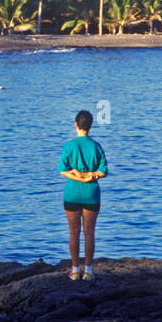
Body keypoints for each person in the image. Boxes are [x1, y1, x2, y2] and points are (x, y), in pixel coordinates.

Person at [58, 109, 109, 281]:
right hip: (91, 194)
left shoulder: (69, 146)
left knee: (74, 233)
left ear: (76, 125)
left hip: (72, 193)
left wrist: (77, 175)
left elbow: (63, 171)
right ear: (90, 126)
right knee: (89, 233)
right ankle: (88, 270)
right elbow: (103, 172)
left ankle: (74, 270)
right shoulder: (96, 146)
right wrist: (89, 177)